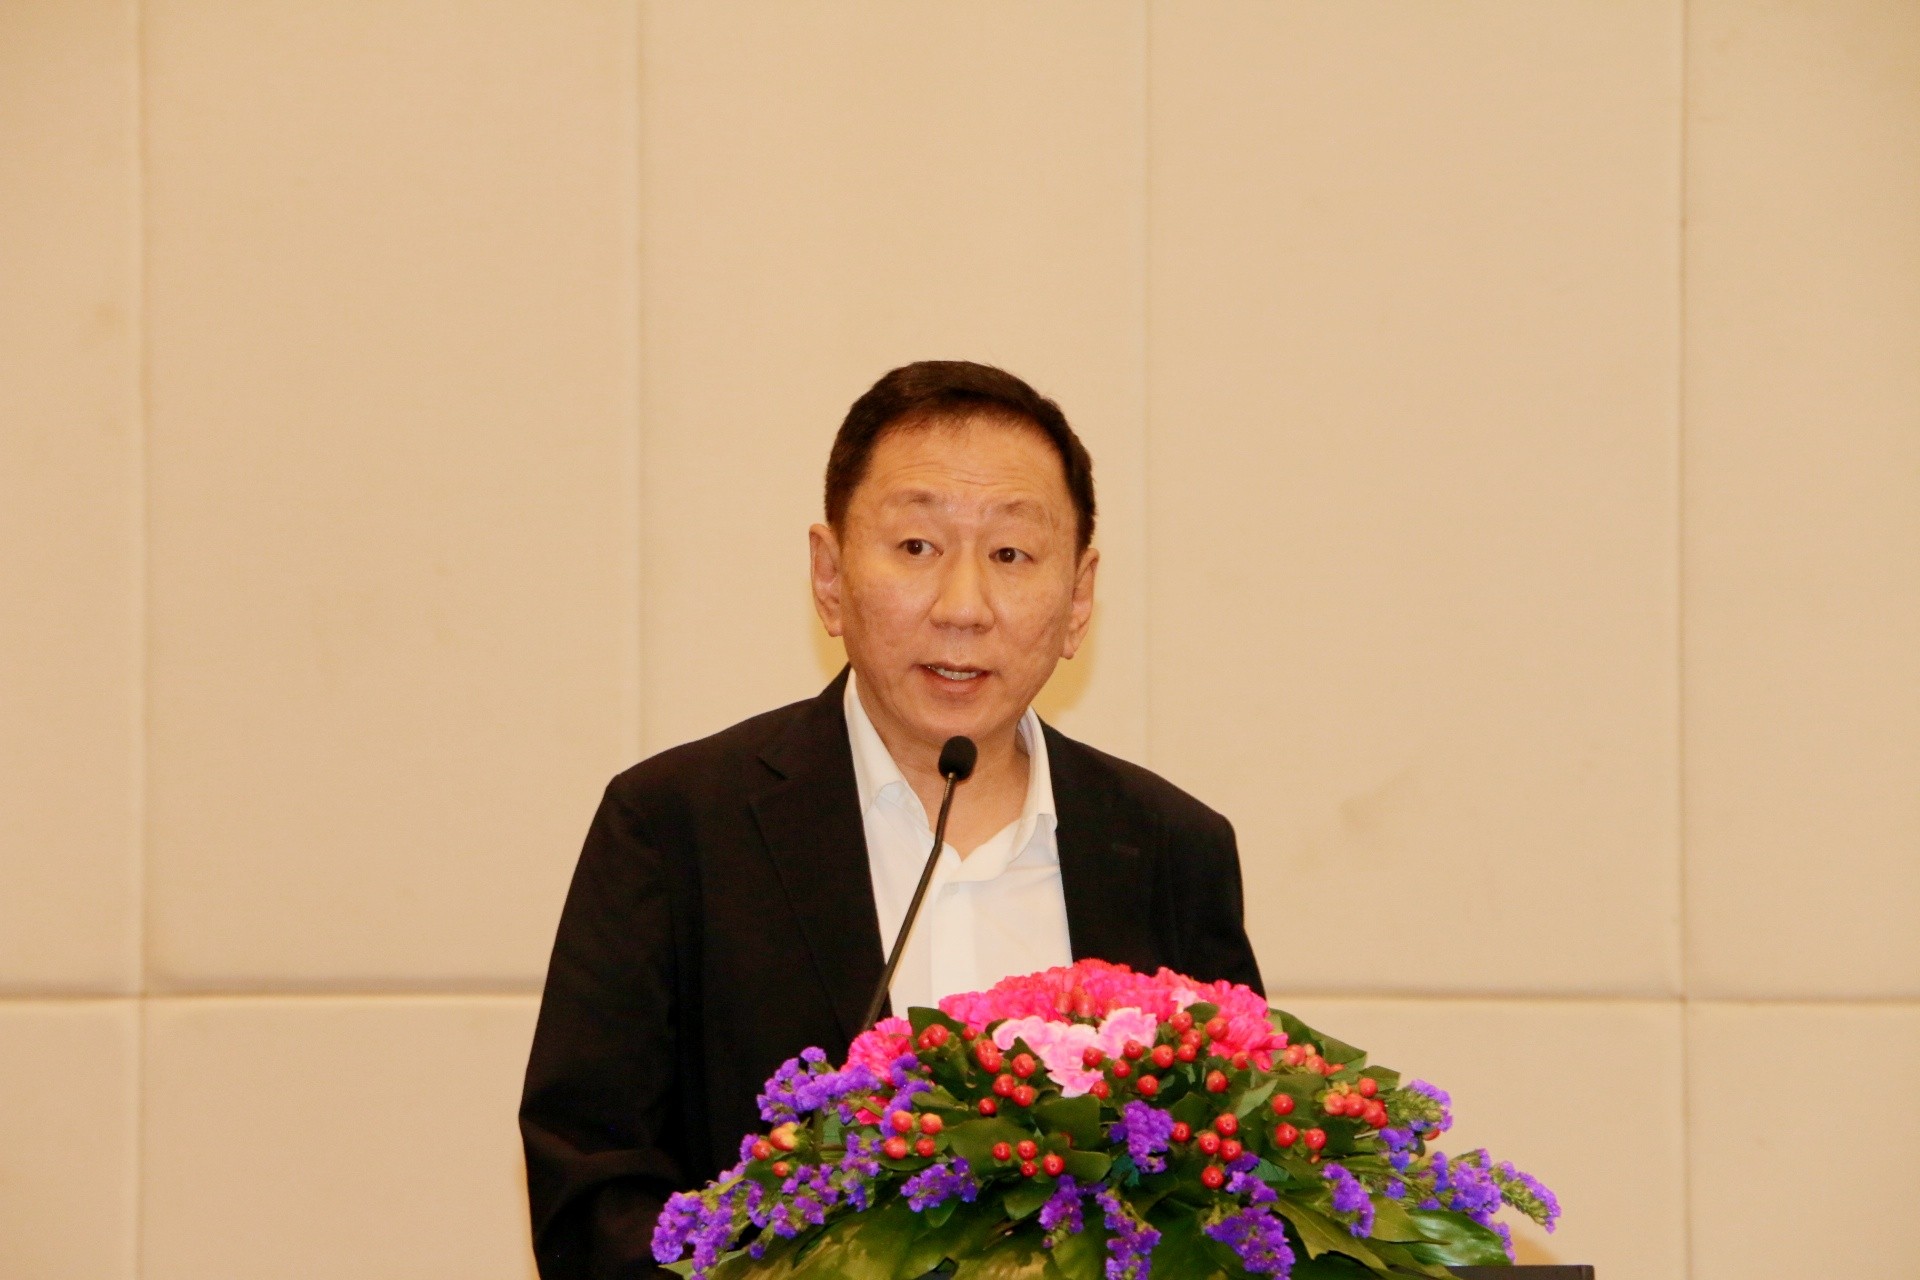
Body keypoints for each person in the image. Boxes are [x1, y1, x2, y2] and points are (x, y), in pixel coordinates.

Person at [519, 361, 1263, 1278]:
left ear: (1078, 598)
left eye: (1011, 555)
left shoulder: (1171, 851)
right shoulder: (676, 830)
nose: (962, 607)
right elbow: (591, 1201)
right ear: (830, 576)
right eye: (916, 546)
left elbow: (1242, 1190)